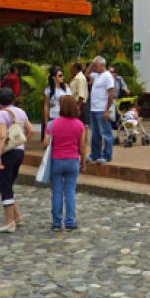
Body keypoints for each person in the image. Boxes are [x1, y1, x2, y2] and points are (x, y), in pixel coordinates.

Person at [0, 87, 32, 233]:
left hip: (7, 154)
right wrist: (20, 143)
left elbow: (2, 136)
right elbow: (30, 130)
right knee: (9, 184)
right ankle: (17, 216)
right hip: (19, 153)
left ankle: (9, 222)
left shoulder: (1, 114)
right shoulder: (21, 112)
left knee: (5, 186)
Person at [47, 95, 86, 231]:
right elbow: (82, 146)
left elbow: (46, 143)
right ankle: (70, 221)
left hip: (57, 160)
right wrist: (84, 161)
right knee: (70, 191)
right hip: (73, 160)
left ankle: (56, 223)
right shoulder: (79, 125)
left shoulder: (52, 124)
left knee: (57, 192)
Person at [86, 56, 115, 162]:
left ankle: (107, 155)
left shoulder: (107, 76)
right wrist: (92, 62)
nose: (94, 68)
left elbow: (111, 93)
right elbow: (86, 74)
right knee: (95, 133)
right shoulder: (96, 75)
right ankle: (95, 154)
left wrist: (107, 109)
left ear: (102, 65)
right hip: (94, 109)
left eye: (96, 66)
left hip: (102, 109)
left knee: (106, 133)